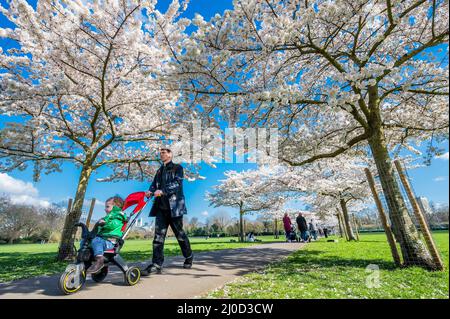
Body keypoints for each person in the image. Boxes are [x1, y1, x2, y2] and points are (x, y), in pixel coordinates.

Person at [142, 147, 193, 275]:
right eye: (160, 153)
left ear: (170, 154)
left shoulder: (178, 168)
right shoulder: (159, 171)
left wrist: (163, 191)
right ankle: (156, 264)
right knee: (158, 237)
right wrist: (150, 191)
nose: (161, 155)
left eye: (164, 153)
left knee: (180, 235)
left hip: (174, 208)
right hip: (161, 209)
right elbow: (154, 185)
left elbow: (177, 184)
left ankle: (188, 256)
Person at [82, 196, 126, 274]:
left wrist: (104, 223)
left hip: (110, 241)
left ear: (115, 207)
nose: (105, 209)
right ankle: (85, 259)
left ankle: (100, 260)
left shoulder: (118, 217)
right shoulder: (108, 217)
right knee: (86, 240)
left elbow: (112, 225)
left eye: (107, 206)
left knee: (96, 241)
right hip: (103, 239)